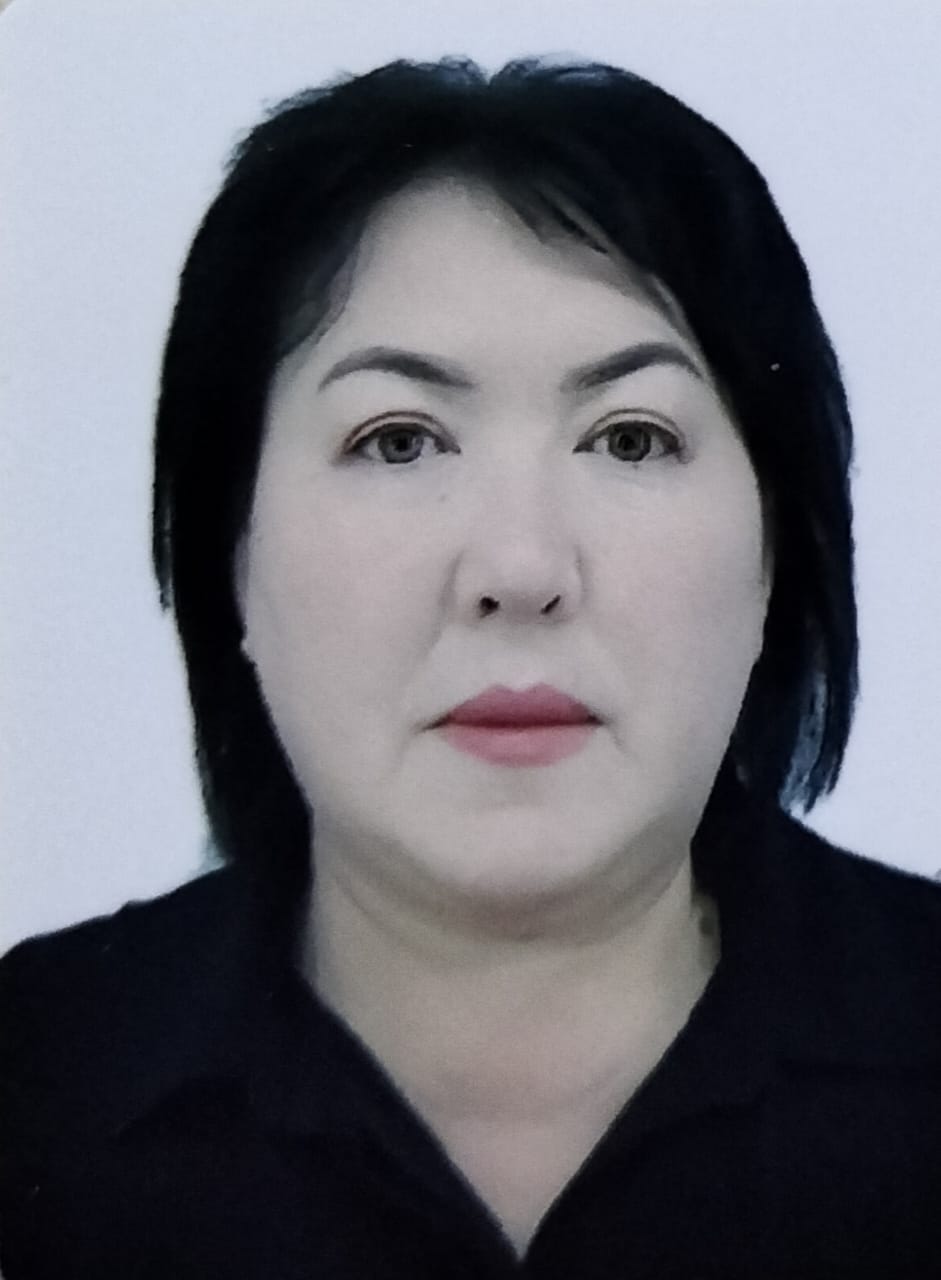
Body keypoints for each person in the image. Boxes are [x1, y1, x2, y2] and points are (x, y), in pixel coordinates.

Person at [2, 54, 940, 1279]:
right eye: (398, 440)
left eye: (628, 437)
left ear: (776, 550)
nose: (517, 565)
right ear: (228, 550)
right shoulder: (35, 1083)